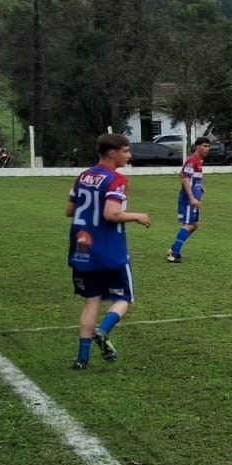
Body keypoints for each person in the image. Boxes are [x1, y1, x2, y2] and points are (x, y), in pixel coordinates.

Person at [66, 133, 151, 368]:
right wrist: (137, 216)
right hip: (108, 249)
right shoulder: (116, 179)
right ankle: (103, 331)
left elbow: (69, 210)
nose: (129, 156)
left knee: (91, 300)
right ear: (112, 153)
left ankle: (82, 358)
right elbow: (111, 214)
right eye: (126, 151)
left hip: (81, 246)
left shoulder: (83, 176)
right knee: (124, 297)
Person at [167, 136, 210, 262]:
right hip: (188, 200)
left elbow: (182, 174)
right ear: (197, 146)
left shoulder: (197, 161)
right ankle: (174, 253)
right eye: (204, 146)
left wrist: (199, 186)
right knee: (189, 224)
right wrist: (191, 198)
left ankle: (174, 248)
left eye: (208, 146)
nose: (207, 149)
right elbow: (185, 178)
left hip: (194, 199)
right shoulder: (192, 160)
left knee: (194, 225)